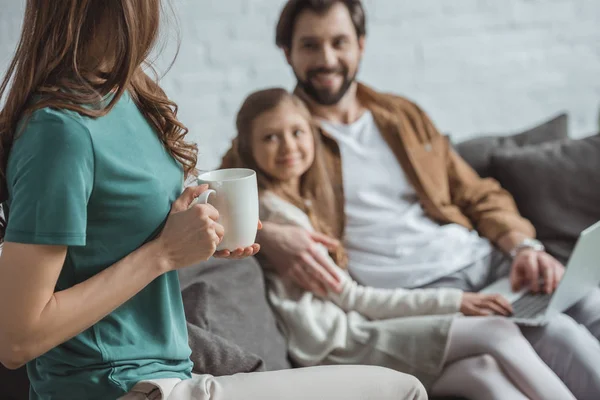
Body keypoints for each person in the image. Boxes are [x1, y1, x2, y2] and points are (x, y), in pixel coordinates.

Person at [0, 1, 428, 400]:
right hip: (121, 385)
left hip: (172, 371)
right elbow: (17, 338)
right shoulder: (59, 130)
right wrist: (163, 253)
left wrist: (196, 236)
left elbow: (117, 235)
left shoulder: (129, 90)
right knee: (403, 390)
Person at [221, 1, 600, 398]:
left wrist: (524, 246)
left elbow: (473, 191)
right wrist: (273, 238)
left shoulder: (400, 114)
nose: (327, 59)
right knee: (555, 332)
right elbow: (216, 196)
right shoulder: (287, 132)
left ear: (361, 46)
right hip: (421, 289)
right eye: (311, 46)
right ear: (288, 52)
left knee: (589, 302)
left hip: (485, 258)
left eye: (339, 42)